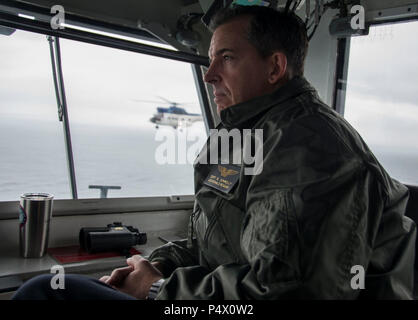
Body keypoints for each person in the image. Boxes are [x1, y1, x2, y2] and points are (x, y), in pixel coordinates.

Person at [12, 5, 416, 300]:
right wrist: (157, 266)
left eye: (227, 58)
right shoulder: (239, 137)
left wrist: (156, 290)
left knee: (47, 293)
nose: (208, 76)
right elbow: (214, 243)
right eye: (209, 61)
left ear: (274, 67)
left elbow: (290, 292)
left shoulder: (312, 149)